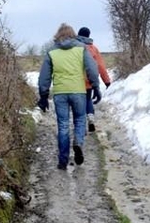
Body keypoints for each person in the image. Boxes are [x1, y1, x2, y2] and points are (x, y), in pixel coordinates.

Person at [37, 23, 102, 170]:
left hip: (60, 93)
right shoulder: (81, 48)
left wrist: (43, 95)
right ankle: (78, 142)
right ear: (73, 35)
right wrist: (96, 86)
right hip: (78, 91)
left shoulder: (51, 52)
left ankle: (62, 160)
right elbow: (92, 68)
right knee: (80, 120)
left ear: (57, 35)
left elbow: (44, 76)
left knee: (63, 125)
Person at [77, 27, 111, 132]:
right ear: (88, 36)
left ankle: (80, 123)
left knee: (78, 102)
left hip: (76, 81)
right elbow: (100, 66)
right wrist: (106, 81)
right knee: (88, 99)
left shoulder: (74, 48)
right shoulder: (93, 49)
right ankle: (91, 117)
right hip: (89, 80)